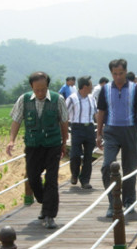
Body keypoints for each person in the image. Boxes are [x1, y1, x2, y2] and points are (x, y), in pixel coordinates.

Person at [6, 71, 69, 230]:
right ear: (31, 87)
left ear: (47, 86)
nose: (40, 93)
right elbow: (16, 121)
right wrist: (11, 140)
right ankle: (43, 201)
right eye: (37, 90)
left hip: (52, 145)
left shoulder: (58, 99)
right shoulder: (24, 100)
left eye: (43, 89)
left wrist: (64, 142)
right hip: (33, 145)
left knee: (51, 179)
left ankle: (49, 215)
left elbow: (64, 122)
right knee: (33, 178)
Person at [96, 59, 137, 218]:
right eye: (115, 74)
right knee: (107, 166)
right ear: (111, 73)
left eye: (121, 73)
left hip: (130, 130)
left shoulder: (135, 88)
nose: (118, 77)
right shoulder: (105, 89)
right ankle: (113, 202)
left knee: (129, 168)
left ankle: (129, 202)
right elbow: (101, 112)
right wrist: (98, 133)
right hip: (111, 131)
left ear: (126, 72)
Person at [65, 76, 97, 190]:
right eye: (90, 85)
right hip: (77, 128)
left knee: (88, 156)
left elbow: (96, 113)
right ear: (84, 86)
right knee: (75, 154)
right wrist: (64, 130)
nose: (92, 87)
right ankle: (75, 174)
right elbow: (64, 115)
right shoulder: (72, 98)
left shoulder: (92, 98)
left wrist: (100, 129)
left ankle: (85, 180)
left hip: (89, 128)